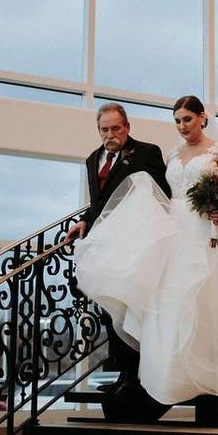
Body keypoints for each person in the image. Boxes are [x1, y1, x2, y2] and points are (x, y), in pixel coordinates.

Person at [74, 95, 218, 406]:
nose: (182, 126)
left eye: (187, 119)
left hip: (209, 229)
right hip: (176, 229)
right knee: (172, 299)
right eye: (177, 121)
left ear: (202, 118)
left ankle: (217, 364)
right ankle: (174, 371)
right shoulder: (173, 153)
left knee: (212, 293)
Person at [64, 103, 170, 396]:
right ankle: (124, 372)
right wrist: (84, 221)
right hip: (106, 241)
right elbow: (98, 202)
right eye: (104, 129)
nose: (110, 135)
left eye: (115, 128)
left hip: (138, 243)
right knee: (112, 304)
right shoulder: (91, 159)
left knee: (134, 303)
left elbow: (163, 194)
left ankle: (139, 375)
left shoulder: (148, 152)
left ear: (127, 127)